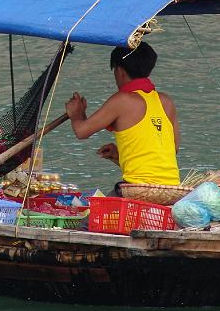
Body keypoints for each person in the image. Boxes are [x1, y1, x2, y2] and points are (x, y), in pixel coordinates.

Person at [65, 41, 180, 198]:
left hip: (139, 192)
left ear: (119, 71)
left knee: (87, 215)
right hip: (173, 190)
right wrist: (119, 155)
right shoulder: (166, 101)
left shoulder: (122, 100)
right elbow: (171, 150)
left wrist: (76, 113)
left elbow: (82, 131)